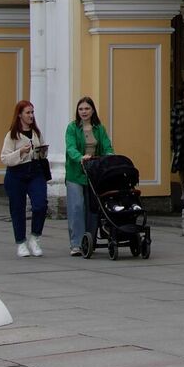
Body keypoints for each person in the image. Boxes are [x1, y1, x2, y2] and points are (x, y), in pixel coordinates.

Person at [63, 96, 113, 257]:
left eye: (87, 109)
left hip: (94, 172)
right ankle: (76, 244)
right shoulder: (72, 128)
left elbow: (106, 146)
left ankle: (89, 241)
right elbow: (70, 147)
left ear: (92, 110)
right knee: (77, 206)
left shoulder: (99, 128)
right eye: (81, 109)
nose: (83, 112)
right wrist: (80, 157)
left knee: (93, 207)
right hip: (76, 172)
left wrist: (109, 155)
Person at [0, 99, 49, 257]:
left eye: (32, 112)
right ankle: (21, 242)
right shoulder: (12, 135)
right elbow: (5, 158)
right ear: (20, 115)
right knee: (17, 209)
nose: (31, 115)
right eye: (28, 113)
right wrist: (20, 152)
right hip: (16, 174)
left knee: (40, 205)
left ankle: (35, 237)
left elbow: (42, 151)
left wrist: (42, 151)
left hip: (35, 171)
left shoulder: (36, 133)